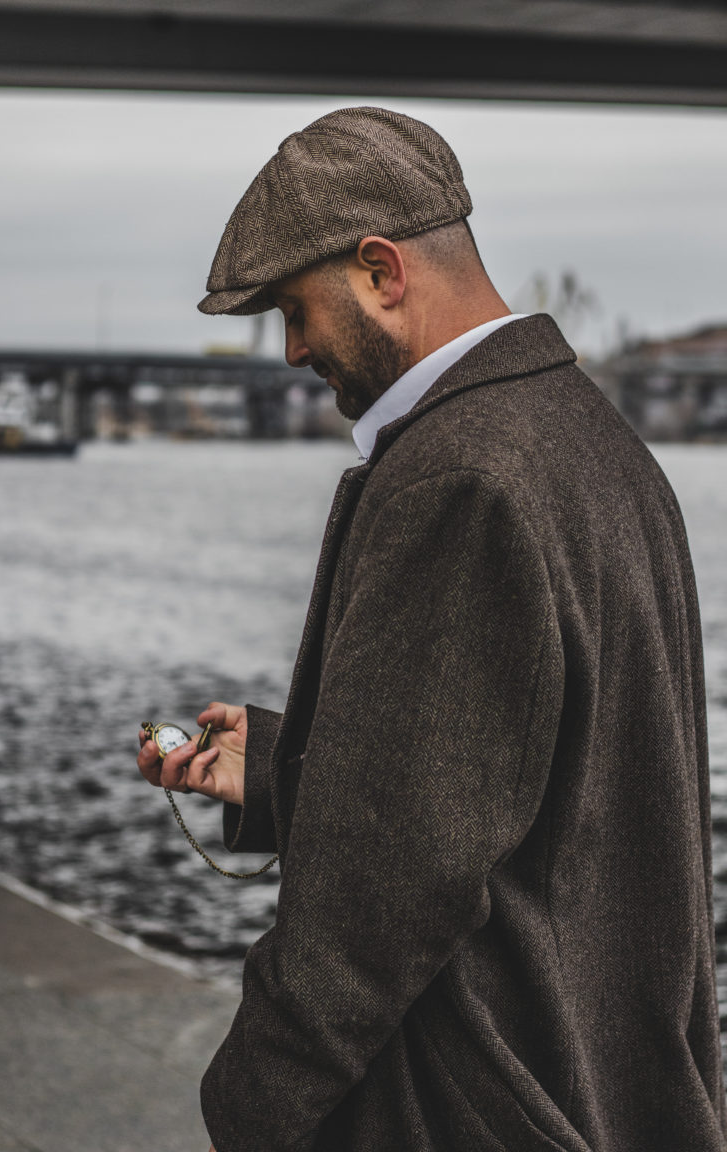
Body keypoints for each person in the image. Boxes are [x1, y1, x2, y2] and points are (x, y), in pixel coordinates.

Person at [137, 107, 727, 1152]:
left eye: (296, 310)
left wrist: (250, 1100)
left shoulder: (459, 478)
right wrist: (282, 766)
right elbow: (561, 785)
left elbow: (378, 894)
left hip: (469, 1107)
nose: (293, 350)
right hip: (598, 1086)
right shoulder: (595, 444)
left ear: (380, 271)